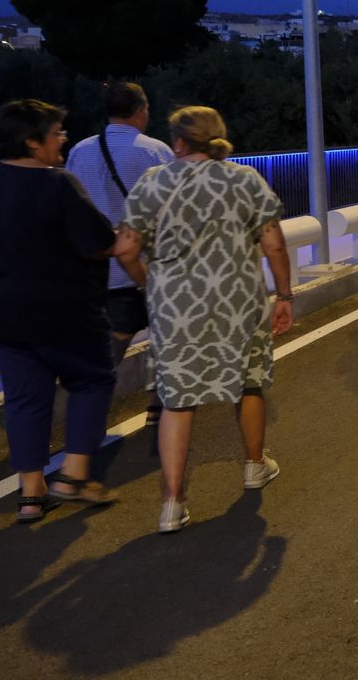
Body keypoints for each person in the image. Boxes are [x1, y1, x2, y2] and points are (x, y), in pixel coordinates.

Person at [113, 106, 295, 533]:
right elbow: (274, 245)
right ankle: (254, 465)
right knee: (248, 383)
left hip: (175, 307)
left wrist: (148, 283)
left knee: (177, 399)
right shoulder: (245, 180)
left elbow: (124, 249)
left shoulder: (153, 182)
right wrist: (284, 294)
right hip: (239, 301)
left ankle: (172, 504)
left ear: (177, 142)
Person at [0, 100, 122, 522]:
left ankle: (32, 494)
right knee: (92, 379)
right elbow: (100, 243)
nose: (63, 139)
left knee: (24, 398)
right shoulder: (59, 185)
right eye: (57, 133)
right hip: (64, 312)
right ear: (32, 142)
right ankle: (74, 474)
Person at [64, 81, 174, 426]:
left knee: (110, 342)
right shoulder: (155, 151)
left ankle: (85, 413)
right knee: (164, 334)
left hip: (100, 268)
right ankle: (158, 407)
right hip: (149, 265)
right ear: (141, 110)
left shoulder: (80, 150)